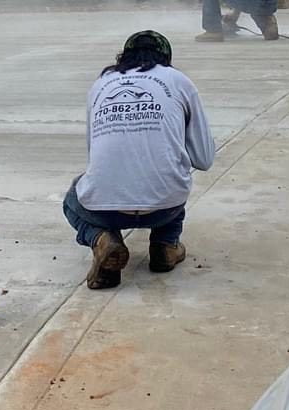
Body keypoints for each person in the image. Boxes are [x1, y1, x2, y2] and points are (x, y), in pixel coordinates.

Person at [62, 30, 216, 290]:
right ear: (165, 58)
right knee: (172, 176)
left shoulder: (101, 84)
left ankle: (101, 239)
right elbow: (204, 159)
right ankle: (166, 246)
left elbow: (94, 155)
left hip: (105, 207)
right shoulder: (178, 81)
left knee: (72, 200)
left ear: (124, 57)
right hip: (164, 207)